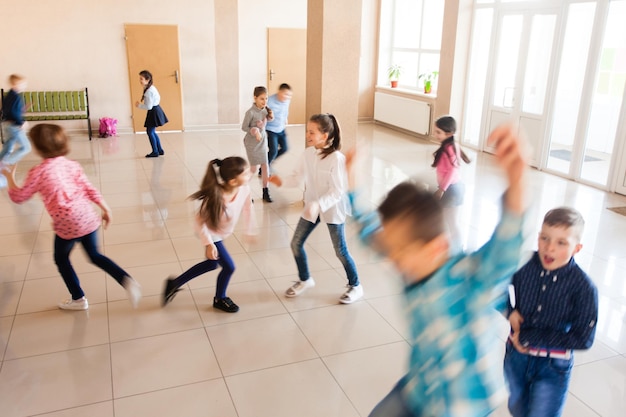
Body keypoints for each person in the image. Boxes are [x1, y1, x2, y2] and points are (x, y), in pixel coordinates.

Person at [346, 124, 527, 417]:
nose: (393, 260)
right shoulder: (412, 264)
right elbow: (372, 233)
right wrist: (352, 182)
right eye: (392, 250)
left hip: (459, 406)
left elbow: (505, 251)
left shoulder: (469, 278)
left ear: (436, 248)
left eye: (401, 252)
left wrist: (517, 181)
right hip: (420, 387)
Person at [1, 124, 141, 310]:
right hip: (88, 218)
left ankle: (78, 299)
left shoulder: (38, 172)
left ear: (37, 148)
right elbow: (89, 189)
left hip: (67, 225)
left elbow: (19, 197)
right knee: (95, 255)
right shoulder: (72, 164)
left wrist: (9, 177)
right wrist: (106, 209)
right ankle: (127, 281)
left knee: (61, 259)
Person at [504, 207, 598, 417]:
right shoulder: (523, 264)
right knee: (517, 408)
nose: (549, 248)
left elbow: (584, 338)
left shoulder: (584, 288)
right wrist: (509, 310)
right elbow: (493, 282)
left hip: (553, 366)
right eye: (544, 238)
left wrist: (530, 337)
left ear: (577, 248)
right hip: (515, 358)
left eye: (561, 242)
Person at [277, 113, 363, 304]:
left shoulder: (336, 159)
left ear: (324, 136)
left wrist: (319, 204)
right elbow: (296, 178)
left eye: (312, 132)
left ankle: (356, 285)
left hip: (332, 209)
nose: (307, 135)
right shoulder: (307, 153)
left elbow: (338, 190)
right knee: (296, 244)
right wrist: (280, 181)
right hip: (311, 208)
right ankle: (305, 279)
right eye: (307, 131)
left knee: (340, 251)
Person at [162, 157, 256, 313]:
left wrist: (249, 230)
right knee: (229, 267)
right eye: (245, 173)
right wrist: (208, 243)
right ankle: (220, 298)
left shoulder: (244, 189)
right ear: (233, 181)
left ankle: (174, 284)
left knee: (212, 263)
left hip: (221, 231)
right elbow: (199, 221)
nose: (249, 175)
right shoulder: (215, 197)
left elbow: (248, 209)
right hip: (210, 233)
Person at [431, 115, 469, 252]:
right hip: (452, 189)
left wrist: (441, 189)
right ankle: (451, 247)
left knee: (451, 221)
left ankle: (458, 249)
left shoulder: (449, 148)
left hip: (452, 190)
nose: (435, 135)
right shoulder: (450, 146)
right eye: (435, 131)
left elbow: (453, 170)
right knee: (447, 220)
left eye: (438, 132)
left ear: (449, 133)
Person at [242, 86, 274, 202]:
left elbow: (265, 122)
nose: (264, 101)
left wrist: (269, 117)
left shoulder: (265, 110)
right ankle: (243, 191)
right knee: (254, 169)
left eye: (266, 98)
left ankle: (266, 191)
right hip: (251, 143)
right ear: (255, 98)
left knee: (265, 166)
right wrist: (255, 130)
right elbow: (244, 127)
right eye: (261, 99)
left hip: (262, 142)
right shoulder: (250, 113)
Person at [0, 74, 32, 171]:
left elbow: (7, 110)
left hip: (6, 124)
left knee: (8, 146)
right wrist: (21, 122)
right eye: (22, 84)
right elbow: (13, 112)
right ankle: (5, 163)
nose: (25, 86)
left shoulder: (9, 95)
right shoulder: (16, 97)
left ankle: (1, 162)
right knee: (26, 147)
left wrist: (20, 110)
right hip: (14, 126)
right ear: (15, 84)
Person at [135, 70, 168, 158]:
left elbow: (148, 106)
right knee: (152, 131)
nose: (140, 81)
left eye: (141, 79)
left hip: (153, 111)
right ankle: (159, 150)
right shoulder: (150, 87)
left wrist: (139, 106)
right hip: (156, 110)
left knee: (150, 132)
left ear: (148, 79)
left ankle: (155, 151)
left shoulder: (149, 91)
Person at [265, 83, 292, 167]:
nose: (288, 97)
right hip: (271, 129)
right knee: (273, 150)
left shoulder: (287, 100)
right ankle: (263, 168)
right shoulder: (269, 101)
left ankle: (269, 160)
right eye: (286, 94)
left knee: (285, 148)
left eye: (289, 95)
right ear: (279, 92)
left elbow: (285, 110)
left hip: (281, 128)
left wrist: (285, 118)